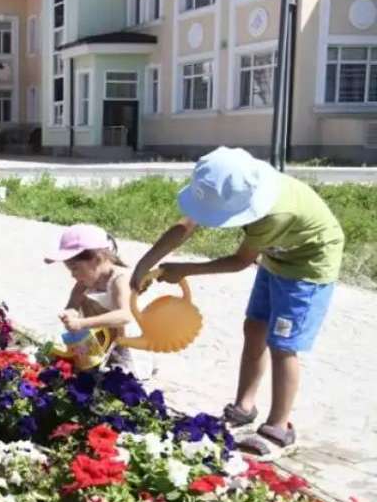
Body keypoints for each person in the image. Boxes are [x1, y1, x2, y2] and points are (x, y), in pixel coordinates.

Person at [130, 147, 343, 459]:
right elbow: (186, 225)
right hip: (277, 258)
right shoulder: (237, 185)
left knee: (283, 344)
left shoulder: (274, 212)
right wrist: (146, 263)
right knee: (254, 327)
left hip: (307, 268)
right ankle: (245, 405)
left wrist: (183, 269)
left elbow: (240, 261)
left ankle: (279, 428)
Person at [46, 224, 153, 380]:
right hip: (102, 343)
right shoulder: (85, 281)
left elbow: (125, 316)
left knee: (121, 380)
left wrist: (81, 324)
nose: (73, 275)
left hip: (129, 345)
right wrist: (69, 313)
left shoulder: (119, 279)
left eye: (75, 268)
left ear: (98, 259)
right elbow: (72, 305)